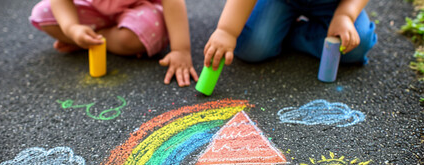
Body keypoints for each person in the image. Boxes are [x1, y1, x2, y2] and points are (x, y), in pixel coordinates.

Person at [30, 0, 198, 87]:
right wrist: (72, 28)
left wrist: (180, 50)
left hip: (140, 8)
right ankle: (89, 38)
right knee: (43, 13)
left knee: (136, 36)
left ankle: (94, 38)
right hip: (95, 9)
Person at [203, 0, 377, 71]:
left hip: (334, 3)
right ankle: (278, 34)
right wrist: (227, 31)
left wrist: (345, 15)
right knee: (252, 47)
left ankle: (288, 35)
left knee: (353, 46)